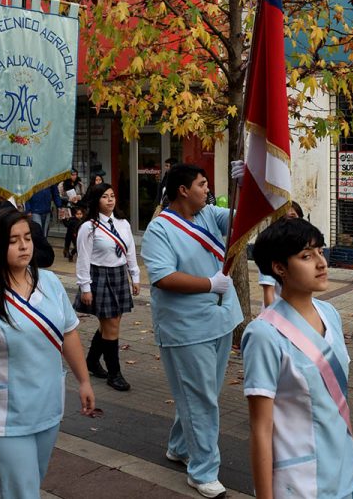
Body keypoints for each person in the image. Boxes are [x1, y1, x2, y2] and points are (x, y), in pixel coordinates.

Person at [0, 207, 95, 498]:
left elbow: (69, 333)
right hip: (0, 415)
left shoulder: (50, 284)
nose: (24, 246)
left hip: (47, 406)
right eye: (13, 240)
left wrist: (84, 380)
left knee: (26, 485)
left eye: (27, 238)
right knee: (23, 492)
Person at [244, 217, 353, 499]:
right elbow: (261, 429)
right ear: (279, 268)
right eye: (306, 256)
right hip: (300, 485)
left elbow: (338, 403)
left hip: (343, 475)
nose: (321, 263)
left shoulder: (331, 315)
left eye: (320, 252)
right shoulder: (264, 334)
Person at [140, 163, 243, 498]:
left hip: (220, 320)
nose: (207, 189)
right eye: (202, 184)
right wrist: (209, 283)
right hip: (186, 329)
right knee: (200, 400)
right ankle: (203, 471)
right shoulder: (159, 230)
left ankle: (180, 446)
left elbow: (249, 219)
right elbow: (163, 277)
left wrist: (252, 182)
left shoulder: (211, 215)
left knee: (203, 395)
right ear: (183, 190)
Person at [74, 183, 140, 391]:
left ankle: (92, 361)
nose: (110, 200)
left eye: (112, 196)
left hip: (119, 275)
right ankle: (114, 373)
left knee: (109, 325)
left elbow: (130, 251)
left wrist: (135, 276)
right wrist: (85, 287)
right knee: (111, 326)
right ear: (96, 200)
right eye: (105, 197)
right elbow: (83, 259)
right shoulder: (88, 227)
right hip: (99, 276)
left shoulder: (123, 223)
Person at [257, 200, 304, 308]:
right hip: (279, 316)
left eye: (293, 217)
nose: (288, 222)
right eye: (283, 218)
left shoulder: (301, 248)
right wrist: (274, 321)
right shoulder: (269, 250)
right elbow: (269, 293)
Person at [59, 170, 84, 259]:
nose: (74, 176)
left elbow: (82, 194)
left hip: (76, 208)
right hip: (65, 208)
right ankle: (71, 248)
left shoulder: (79, 184)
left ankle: (69, 249)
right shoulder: (62, 184)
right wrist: (69, 199)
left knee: (72, 228)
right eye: (72, 175)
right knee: (69, 227)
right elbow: (60, 196)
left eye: (76, 174)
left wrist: (78, 197)